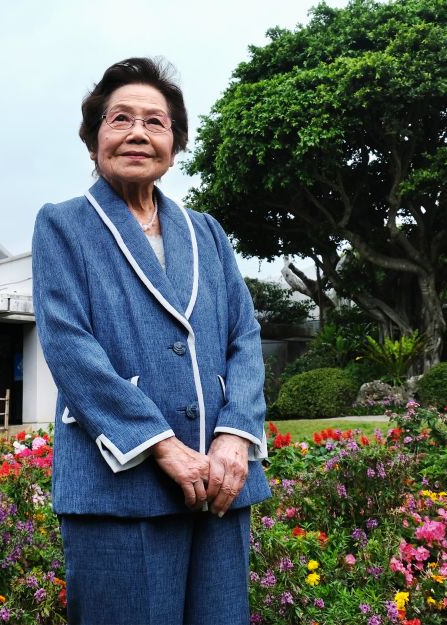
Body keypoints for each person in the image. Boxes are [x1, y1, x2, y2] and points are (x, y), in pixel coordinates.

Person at [32, 57, 271, 625]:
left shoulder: (206, 231)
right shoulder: (64, 224)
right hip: (121, 486)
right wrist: (161, 445)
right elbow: (70, 347)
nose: (138, 132)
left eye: (155, 122)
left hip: (220, 483)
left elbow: (245, 334)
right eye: (120, 119)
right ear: (94, 141)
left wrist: (236, 439)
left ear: (174, 144)